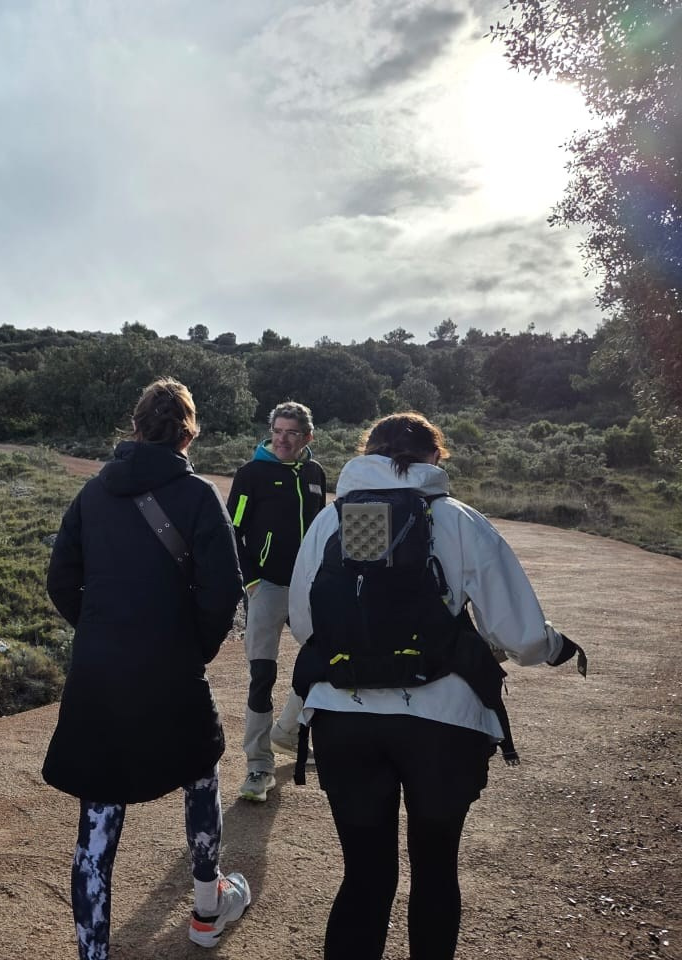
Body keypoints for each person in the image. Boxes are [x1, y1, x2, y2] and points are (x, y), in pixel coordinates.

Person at [288, 412, 584, 960]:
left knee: (364, 879)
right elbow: (517, 633)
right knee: (435, 872)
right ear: (434, 458)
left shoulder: (330, 522)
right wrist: (553, 645)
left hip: (344, 718)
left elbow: (306, 625)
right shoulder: (458, 519)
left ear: (367, 454)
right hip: (442, 726)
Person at [42, 377, 249, 957]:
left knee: (99, 819)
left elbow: (61, 581)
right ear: (191, 432)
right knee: (201, 776)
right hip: (173, 671)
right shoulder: (201, 495)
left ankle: (93, 953)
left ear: (134, 429)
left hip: (101, 672)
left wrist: (105, 630)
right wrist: (192, 647)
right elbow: (223, 590)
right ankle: (208, 911)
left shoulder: (91, 495)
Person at [226, 400, 327, 803]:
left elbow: (321, 530)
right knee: (262, 675)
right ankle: (258, 765)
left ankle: (287, 731)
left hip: (308, 588)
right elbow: (232, 531)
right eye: (277, 431)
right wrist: (251, 581)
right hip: (266, 585)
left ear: (307, 437)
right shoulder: (252, 474)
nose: (282, 439)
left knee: (325, 661)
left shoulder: (316, 474)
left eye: (292, 433)